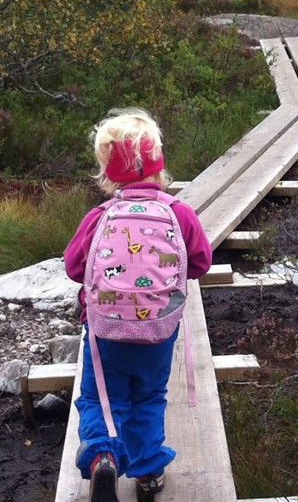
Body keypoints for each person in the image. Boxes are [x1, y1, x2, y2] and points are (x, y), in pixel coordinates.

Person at [64, 108, 213, 502]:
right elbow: (200, 263)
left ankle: (102, 459)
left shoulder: (99, 216)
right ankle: (147, 475)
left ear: (107, 173)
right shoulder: (179, 213)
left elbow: (73, 267)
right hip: (158, 331)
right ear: (160, 167)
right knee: (148, 397)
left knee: (100, 397)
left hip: (105, 333)